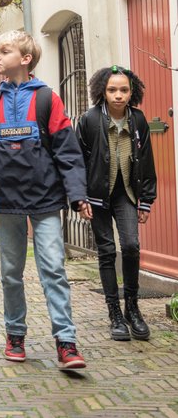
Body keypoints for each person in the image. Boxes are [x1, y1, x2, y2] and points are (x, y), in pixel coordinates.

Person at [0, 30, 88, 371]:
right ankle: (15, 334)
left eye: (4, 51)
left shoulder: (49, 99)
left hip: (46, 199)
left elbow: (68, 153)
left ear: (26, 58)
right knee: (10, 273)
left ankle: (66, 341)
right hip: (6, 202)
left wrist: (77, 194)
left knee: (53, 270)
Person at [77, 66, 156, 341]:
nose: (118, 95)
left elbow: (146, 161)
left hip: (127, 194)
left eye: (123, 90)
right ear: (102, 91)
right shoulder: (88, 120)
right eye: (112, 90)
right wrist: (79, 197)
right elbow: (79, 162)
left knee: (131, 246)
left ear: (131, 91)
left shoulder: (139, 120)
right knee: (107, 251)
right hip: (98, 195)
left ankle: (132, 307)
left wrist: (146, 200)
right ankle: (114, 313)